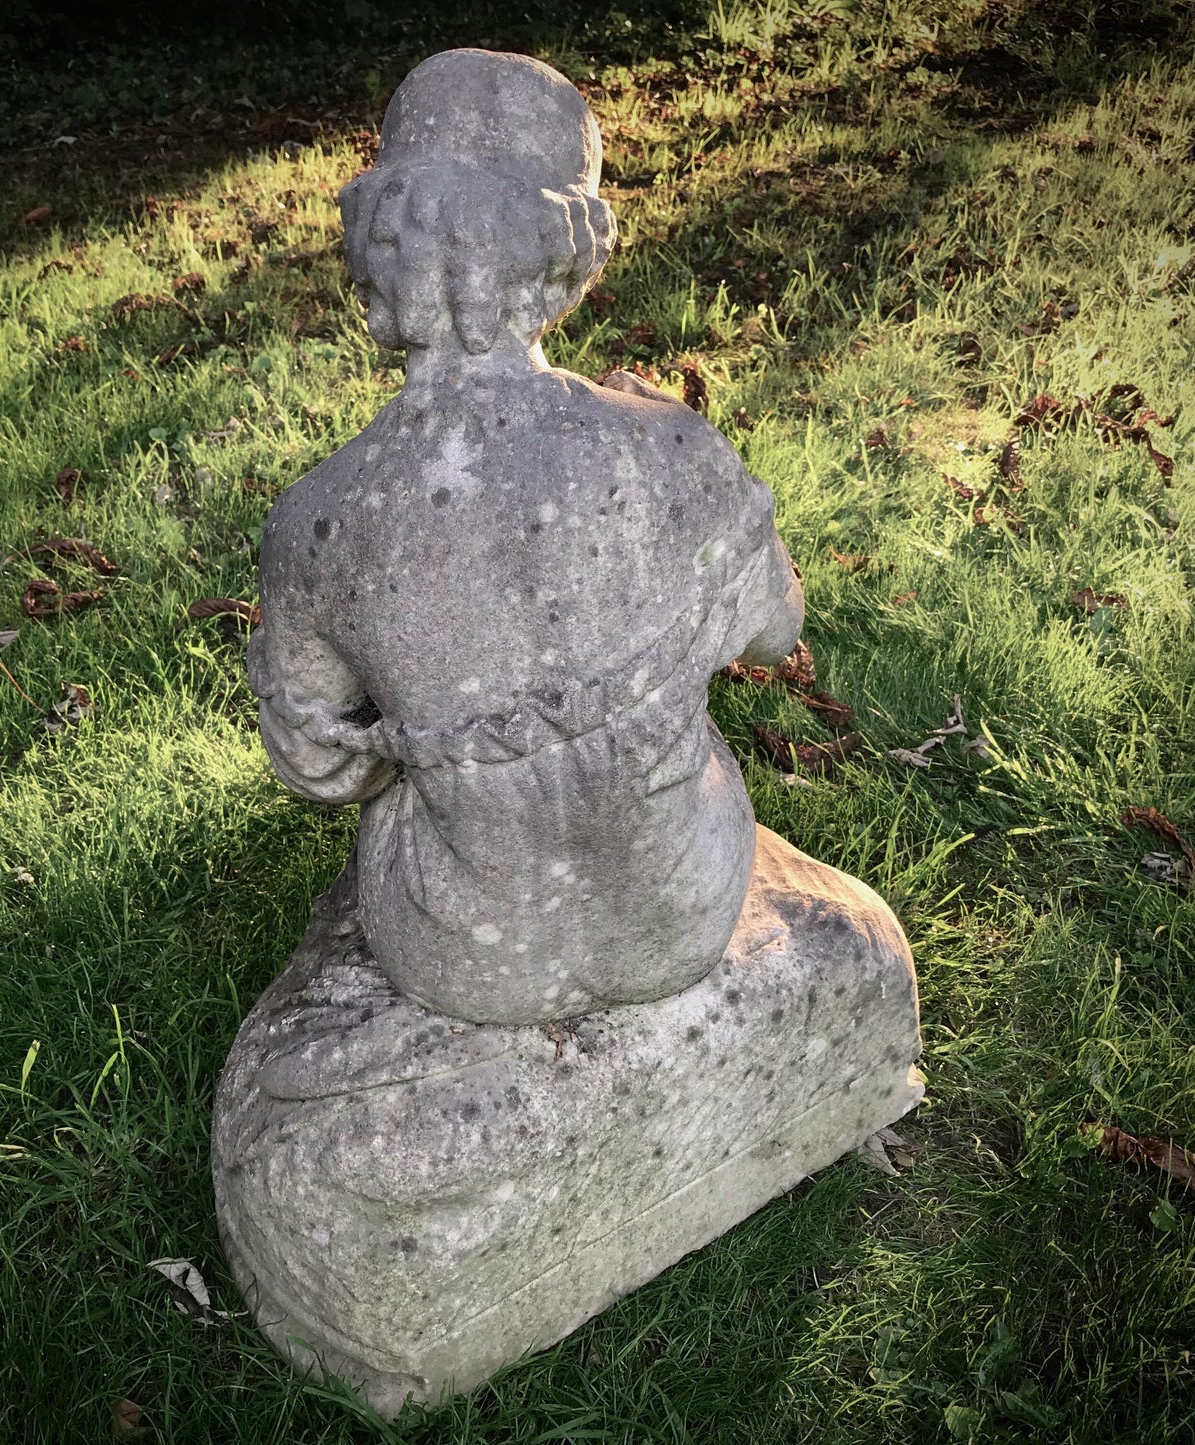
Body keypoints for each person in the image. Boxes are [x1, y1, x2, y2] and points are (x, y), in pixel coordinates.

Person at [247, 50, 803, 1026]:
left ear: (375, 234)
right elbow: (774, 626)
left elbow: (320, 767)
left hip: (459, 951)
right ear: (569, 248)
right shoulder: (663, 445)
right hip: (681, 912)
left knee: (408, 790)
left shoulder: (324, 516)